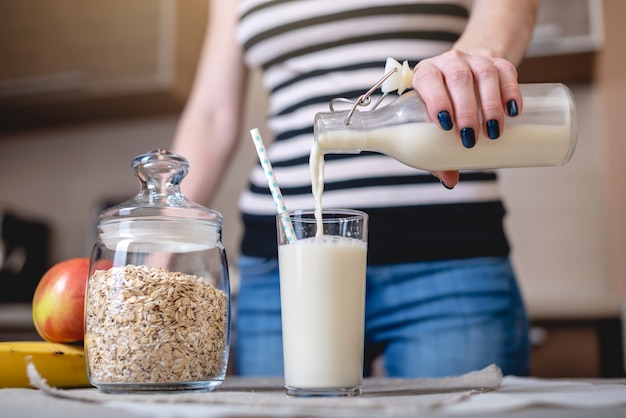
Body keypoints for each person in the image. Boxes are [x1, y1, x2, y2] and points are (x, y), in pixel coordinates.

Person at [172, 0, 538, 378]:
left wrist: (474, 59)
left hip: (447, 249)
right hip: (285, 264)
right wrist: (157, 252)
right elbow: (212, 116)